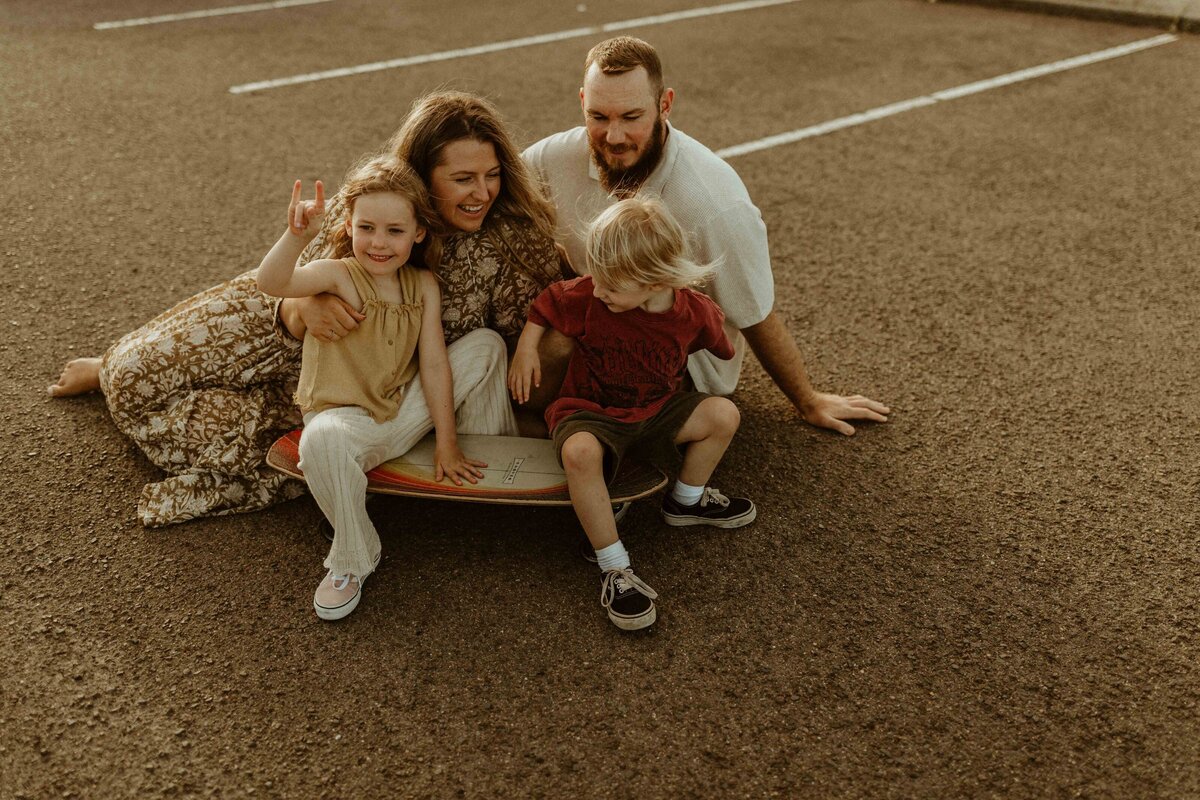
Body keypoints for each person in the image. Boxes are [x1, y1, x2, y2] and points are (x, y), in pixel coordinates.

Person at [47, 91, 563, 527]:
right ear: (423, 180)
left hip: (355, 380)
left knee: (297, 443)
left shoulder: (514, 239)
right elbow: (288, 290)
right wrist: (306, 307)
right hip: (274, 321)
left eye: (491, 174)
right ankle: (109, 364)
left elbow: (525, 345)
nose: (482, 193)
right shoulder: (379, 200)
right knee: (132, 375)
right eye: (463, 179)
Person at [523, 36, 890, 435]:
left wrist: (808, 399)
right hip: (599, 307)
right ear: (581, 103)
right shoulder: (552, 158)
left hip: (678, 359)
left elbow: (754, 313)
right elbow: (490, 192)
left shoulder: (712, 201)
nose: (613, 137)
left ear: (665, 104)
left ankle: (559, 431)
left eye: (631, 117)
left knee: (559, 345)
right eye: (598, 116)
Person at [257, 156, 514, 620]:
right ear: (350, 225)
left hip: (399, 412)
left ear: (418, 233)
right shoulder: (338, 274)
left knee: (486, 345)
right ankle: (354, 556)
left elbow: (435, 365)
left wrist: (449, 443)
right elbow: (271, 282)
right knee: (319, 440)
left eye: (394, 231)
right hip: (347, 425)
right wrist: (297, 237)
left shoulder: (421, 285)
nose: (378, 243)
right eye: (367, 227)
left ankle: (487, 472)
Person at [509, 198, 755, 631]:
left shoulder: (693, 311)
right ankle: (613, 565)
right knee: (580, 452)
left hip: (656, 410)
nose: (599, 290)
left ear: (656, 279)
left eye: (612, 286)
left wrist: (717, 344)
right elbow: (548, 302)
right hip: (591, 411)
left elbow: (721, 343)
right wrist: (527, 348)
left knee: (722, 414)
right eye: (597, 279)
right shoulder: (591, 294)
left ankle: (686, 501)